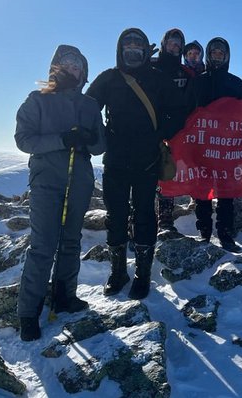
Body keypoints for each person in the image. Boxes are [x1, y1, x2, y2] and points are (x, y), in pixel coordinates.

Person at [14, 45, 105, 341]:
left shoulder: (90, 105)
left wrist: (89, 140)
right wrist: (62, 139)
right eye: (66, 63)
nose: (72, 69)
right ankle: (28, 312)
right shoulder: (38, 100)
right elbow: (24, 140)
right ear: (55, 67)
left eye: (77, 65)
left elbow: (100, 146)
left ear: (84, 72)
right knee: (42, 245)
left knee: (70, 240)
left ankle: (65, 296)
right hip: (46, 179)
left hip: (78, 179)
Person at [86, 28, 161, 300]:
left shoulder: (156, 78)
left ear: (144, 49)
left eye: (137, 44)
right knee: (115, 215)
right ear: (120, 48)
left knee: (145, 214)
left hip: (147, 159)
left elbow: (176, 110)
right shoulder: (108, 78)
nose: (132, 48)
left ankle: (143, 275)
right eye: (128, 43)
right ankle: (118, 272)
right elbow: (87, 108)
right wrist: (94, 135)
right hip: (116, 159)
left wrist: (158, 136)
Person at [191, 37, 242, 252]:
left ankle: (225, 234)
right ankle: (204, 232)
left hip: (227, 143)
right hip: (203, 142)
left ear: (227, 56)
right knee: (202, 190)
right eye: (213, 52)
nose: (217, 56)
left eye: (220, 53)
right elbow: (191, 111)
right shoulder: (198, 81)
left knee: (226, 191)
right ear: (208, 54)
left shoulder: (236, 83)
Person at [155, 28, 196, 234]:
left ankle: (165, 220)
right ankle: (136, 221)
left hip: (175, 130)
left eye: (178, 45)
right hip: (149, 129)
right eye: (171, 43)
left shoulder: (185, 72)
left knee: (168, 174)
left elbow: (191, 100)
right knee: (144, 177)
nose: (175, 47)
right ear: (164, 43)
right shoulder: (150, 66)